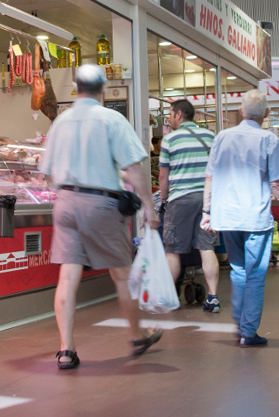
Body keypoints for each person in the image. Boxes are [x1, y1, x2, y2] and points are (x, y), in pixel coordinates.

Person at [38, 65, 162, 369]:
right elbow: (133, 168)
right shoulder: (111, 119)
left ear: (76, 87)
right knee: (121, 274)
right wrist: (148, 204)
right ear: (103, 89)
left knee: (68, 276)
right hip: (100, 204)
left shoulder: (60, 121)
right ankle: (136, 336)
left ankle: (66, 350)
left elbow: (46, 173)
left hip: (65, 202)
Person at [201, 89, 279, 347]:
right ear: (266, 113)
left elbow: (210, 177)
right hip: (255, 217)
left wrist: (207, 212)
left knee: (239, 271)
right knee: (255, 274)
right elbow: (276, 184)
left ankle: (240, 325)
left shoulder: (222, 137)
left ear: (241, 111)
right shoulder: (269, 140)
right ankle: (248, 331)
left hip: (227, 217)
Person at [158, 99, 221, 312]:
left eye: (169, 113)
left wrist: (164, 198)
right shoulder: (211, 137)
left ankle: (168, 298)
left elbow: (163, 175)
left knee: (173, 250)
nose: (168, 117)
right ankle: (213, 297)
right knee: (206, 247)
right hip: (207, 200)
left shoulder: (170, 140)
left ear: (178, 115)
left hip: (180, 199)